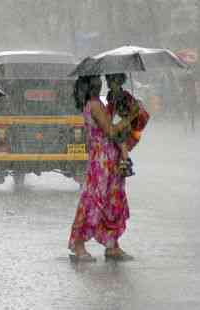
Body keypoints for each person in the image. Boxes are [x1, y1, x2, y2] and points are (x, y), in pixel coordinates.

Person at [68, 75, 138, 262]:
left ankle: (112, 244)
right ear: (91, 85)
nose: (101, 83)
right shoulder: (94, 105)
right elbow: (111, 131)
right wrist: (131, 117)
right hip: (102, 159)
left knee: (112, 200)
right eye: (97, 81)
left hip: (109, 157)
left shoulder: (98, 102)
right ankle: (78, 243)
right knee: (95, 200)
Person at [105, 73, 148, 177]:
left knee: (121, 142)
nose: (108, 83)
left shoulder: (123, 95)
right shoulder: (111, 95)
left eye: (110, 81)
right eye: (107, 80)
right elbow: (112, 110)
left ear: (117, 82)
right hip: (119, 122)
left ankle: (125, 164)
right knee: (119, 143)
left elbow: (132, 110)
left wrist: (126, 119)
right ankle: (123, 163)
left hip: (126, 123)